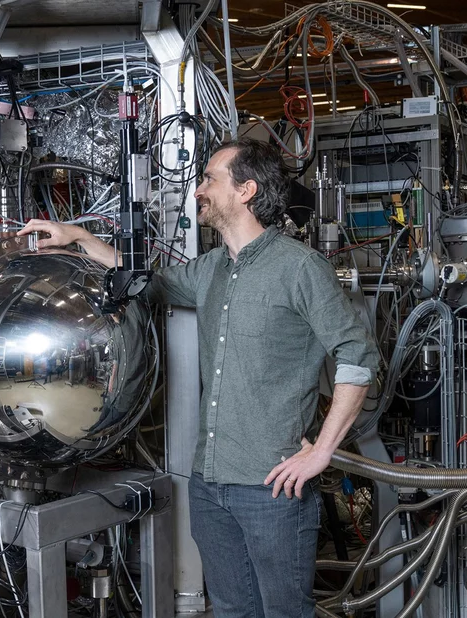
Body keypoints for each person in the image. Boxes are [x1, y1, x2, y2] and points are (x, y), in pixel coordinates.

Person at [19, 138, 379, 617]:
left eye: (210, 179)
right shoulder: (212, 270)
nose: (198, 190)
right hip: (210, 484)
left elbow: (357, 357)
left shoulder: (300, 268)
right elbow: (149, 280)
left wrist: (321, 452)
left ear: (246, 190)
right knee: (231, 610)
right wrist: (81, 239)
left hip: (272, 488)